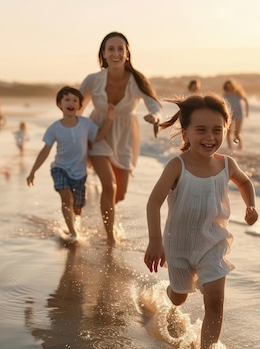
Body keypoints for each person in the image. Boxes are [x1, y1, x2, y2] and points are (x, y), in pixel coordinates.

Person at [143, 93, 259, 349]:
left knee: (216, 301)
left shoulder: (227, 164)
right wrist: (155, 242)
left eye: (217, 130)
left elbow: (245, 182)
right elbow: (153, 203)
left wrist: (250, 205)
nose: (210, 137)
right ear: (185, 133)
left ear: (226, 129)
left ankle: (206, 348)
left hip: (214, 243)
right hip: (179, 246)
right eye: (201, 130)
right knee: (179, 298)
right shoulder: (177, 166)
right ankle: (170, 295)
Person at [79, 31, 162, 243]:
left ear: (127, 54)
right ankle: (110, 237)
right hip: (98, 134)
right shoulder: (93, 80)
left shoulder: (137, 80)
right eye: (111, 49)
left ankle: (103, 212)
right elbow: (77, 109)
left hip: (125, 137)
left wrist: (155, 116)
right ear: (104, 54)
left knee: (120, 193)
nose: (116, 53)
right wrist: (73, 136)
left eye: (120, 49)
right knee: (109, 185)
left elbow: (154, 104)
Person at [27, 86, 114, 240]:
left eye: (75, 100)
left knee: (78, 207)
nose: (71, 102)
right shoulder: (54, 128)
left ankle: (73, 224)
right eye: (67, 99)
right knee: (66, 198)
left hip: (79, 173)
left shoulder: (85, 124)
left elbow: (99, 137)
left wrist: (109, 119)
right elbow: (45, 150)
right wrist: (33, 171)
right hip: (60, 169)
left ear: (80, 106)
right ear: (59, 104)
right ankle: (73, 233)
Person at [222, 79, 249, 150]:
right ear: (225, 87)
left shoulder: (237, 93)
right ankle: (230, 147)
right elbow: (222, 105)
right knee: (228, 132)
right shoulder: (224, 94)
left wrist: (247, 112)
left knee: (236, 133)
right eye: (228, 86)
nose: (229, 87)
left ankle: (240, 146)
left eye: (230, 86)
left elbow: (246, 101)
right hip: (229, 115)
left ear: (233, 86)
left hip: (239, 114)